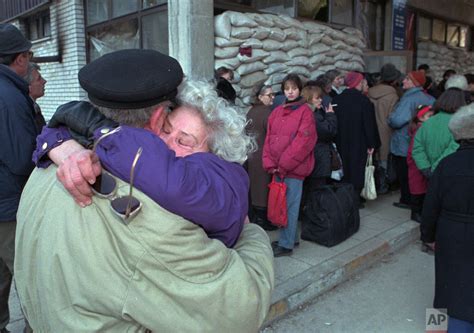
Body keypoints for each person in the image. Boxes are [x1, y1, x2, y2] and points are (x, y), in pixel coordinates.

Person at [15, 49, 274, 332]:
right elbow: (241, 310)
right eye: (167, 129)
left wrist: (59, 135)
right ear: (157, 118)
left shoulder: (50, 165)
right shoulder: (150, 218)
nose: (168, 147)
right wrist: (251, 234)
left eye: (185, 142)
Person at [36, 78, 253, 248]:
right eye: (165, 129)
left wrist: (100, 129)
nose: (165, 143)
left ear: (214, 154)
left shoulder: (218, 183)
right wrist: (62, 142)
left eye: (184, 142)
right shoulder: (147, 166)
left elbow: (174, 182)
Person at [421, 103, 474, 332]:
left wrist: (428, 236)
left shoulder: (446, 164)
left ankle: (437, 330)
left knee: (444, 286)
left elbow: (431, 206)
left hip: (449, 231)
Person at [0, 23, 36, 333]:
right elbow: (23, 158)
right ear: (20, 59)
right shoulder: (9, 96)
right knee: (28, 274)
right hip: (7, 206)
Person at [263, 73, 317, 257]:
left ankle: (286, 245)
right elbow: (268, 138)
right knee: (281, 205)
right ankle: (291, 238)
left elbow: (303, 143)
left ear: (300, 89)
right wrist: (270, 163)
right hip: (278, 167)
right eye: (287, 89)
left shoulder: (305, 112)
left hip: (293, 169)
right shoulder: (277, 112)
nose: (290, 92)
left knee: (290, 206)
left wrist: (283, 165)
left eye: (294, 88)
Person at [333, 71, 381, 208]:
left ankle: (344, 197)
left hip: (340, 141)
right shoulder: (364, 101)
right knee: (357, 169)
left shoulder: (337, 100)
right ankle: (356, 199)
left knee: (344, 168)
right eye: (363, 82)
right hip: (359, 142)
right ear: (358, 83)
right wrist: (372, 144)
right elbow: (369, 125)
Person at [388, 70, 435, 209]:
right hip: (425, 141)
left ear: (415, 83)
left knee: (405, 174)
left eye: (407, 79)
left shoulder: (408, 99)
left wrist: (389, 118)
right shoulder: (430, 98)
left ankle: (407, 200)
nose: (403, 81)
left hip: (405, 142)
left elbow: (397, 120)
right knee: (420, 173)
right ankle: (420, 200)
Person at [412, 83, 467, 182]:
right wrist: (435, 168)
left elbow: (417, 148)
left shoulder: (426, 123)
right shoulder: (460, 125)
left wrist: (426, 168)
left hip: (430, 174)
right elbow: (454, 148)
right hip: (450, 172)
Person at [246, 84, 276, 231]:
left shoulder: (251, 112)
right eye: (269, 95)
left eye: (273, 94)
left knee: (255, 187)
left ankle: (257, 217)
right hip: (264, 155)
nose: (272, 98)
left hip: (252, 155)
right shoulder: (268, 113)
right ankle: (264, 220)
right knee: (264, 188)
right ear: (260, 97)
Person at [368, 63, 401, 194]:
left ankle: (373, 184)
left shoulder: (369, 92)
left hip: (371, 130)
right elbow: (394, 118)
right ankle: (383, 185)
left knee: (372, 159)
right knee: (384, 160)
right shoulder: (393, 96)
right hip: (386, 131)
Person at [301, 85, 337, 189]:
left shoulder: (307, 113)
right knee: (318, 189)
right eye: (317, 98)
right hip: (318, 157)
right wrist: (330, 115)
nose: (321, 100)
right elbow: (329, 132)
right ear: (309, 99)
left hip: (311, 158)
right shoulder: (313, 116)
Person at [406, 105, 434, 223]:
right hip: (416, 165)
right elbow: (414, 151)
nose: (433, 118)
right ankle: (415, 212)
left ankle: (420, 211)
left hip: (422, 163)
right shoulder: (419, 131)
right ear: (421, 118)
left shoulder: (424, 128)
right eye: (430, 116)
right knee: (417, 189)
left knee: (422, 188)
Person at [24, 62, 47, 130]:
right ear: (28, 86)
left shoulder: (34, 107)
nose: (44, 81)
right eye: (39, 79)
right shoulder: (25, 110)